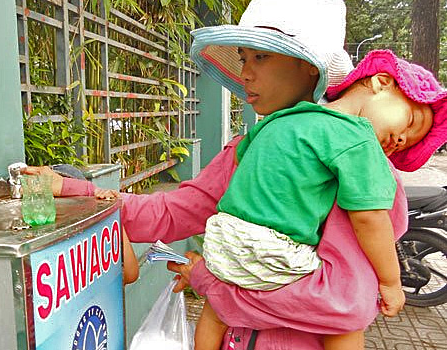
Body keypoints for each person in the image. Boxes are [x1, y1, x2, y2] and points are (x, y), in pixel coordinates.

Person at [23, 1, 447, 348]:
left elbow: (344, 304)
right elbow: (169, 212)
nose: (245, 73)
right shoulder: (248, 149)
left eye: (260, 56)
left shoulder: (366, 176)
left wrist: (210, 281)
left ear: (310, 68)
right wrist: (73, 190)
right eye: (245, 58)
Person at [195, 49, 436, 350]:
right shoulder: (358, 140)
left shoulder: (284, 118)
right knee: (345, 316)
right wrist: (391, 282)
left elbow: (244, 162)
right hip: (272, 249)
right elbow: (369, 218)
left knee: (217, 310)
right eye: (411, 121)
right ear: (381, 82)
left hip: (221, 235)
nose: (401, 140)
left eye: (408, 143)